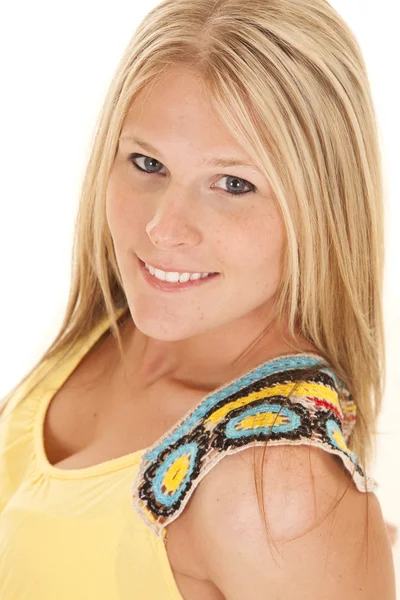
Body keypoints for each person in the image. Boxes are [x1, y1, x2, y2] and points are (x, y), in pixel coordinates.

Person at [0, 0, 396, 598]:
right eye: (147, 162)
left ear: (320, 205)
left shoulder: (279, 493)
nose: (163, 228)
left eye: (234, 183)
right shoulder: (117, 328)